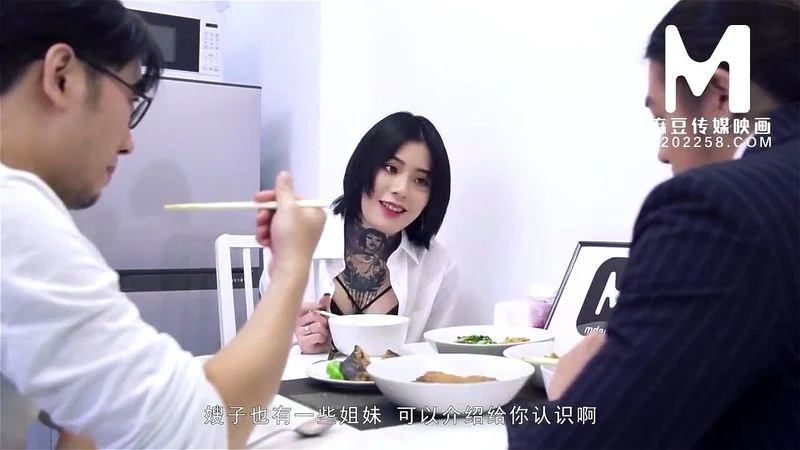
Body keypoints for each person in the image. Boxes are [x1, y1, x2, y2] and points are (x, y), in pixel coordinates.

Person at [0, 1, 326, 448]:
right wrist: (292, 267)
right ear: (62, 76)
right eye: (131, 102)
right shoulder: (15, 216)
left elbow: (95, 413)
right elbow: (201, 431)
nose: (129, 143)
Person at [506, 0, 799, 448]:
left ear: (721, 94)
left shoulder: (721, 210)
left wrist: (573, 396)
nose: (663, 152)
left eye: (664, 119)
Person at [259, 111, 459, 354]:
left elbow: (432, 357)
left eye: (421, 181)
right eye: (391, 168)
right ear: (364, 167)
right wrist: (298, 341)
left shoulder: (439, 266)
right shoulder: (297, 240)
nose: (401, 189)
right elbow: (262, 347)